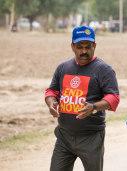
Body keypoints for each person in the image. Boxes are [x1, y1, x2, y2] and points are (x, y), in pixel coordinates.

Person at [45, 25, 119, 171]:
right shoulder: (63, 68)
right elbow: (52, 91)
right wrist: (51, 102)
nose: (84, 51)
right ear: (72, 46)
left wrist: (94, 107)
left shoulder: (103, 69)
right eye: (80, 46)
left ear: (95, 46)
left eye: (88, 46)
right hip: (64, 137)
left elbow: (113, 97)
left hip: (91, 137)